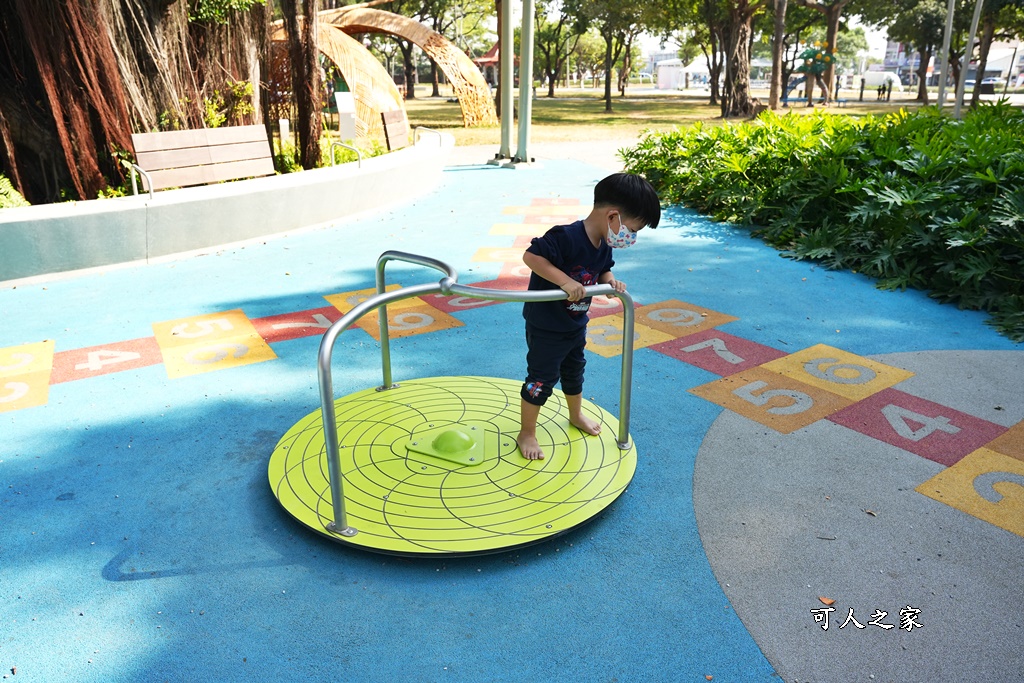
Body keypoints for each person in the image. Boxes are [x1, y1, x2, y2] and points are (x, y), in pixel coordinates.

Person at [516, 173, 661, 460]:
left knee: (574, 372)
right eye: (632, 229)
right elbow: (532, 257)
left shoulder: (603, 244)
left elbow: (603, 269)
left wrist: (611, 281)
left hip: (575, 322)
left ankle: (575, 414)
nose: (631, 236)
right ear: (613, 217)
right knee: (541, 379)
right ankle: (527, 433)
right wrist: (565, 282)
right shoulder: (566, 237)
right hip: (546, 325)